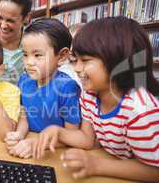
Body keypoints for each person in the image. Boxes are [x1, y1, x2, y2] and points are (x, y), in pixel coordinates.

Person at [33, 16, 159, 182]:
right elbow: (88, 139)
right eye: (75, 60)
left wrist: (96, 165)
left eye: (85, 60)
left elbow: (154, 171)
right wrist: (57, 132)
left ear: (118, 62)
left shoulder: (140, 110)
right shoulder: (90, 95)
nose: (77, 68)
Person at [4, 18, 82, 158]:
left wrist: (37, 143)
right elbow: (24, 114)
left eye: (37, 55)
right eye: (25, 54)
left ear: (62, 56)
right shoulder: (24, 80)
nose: (29, 62)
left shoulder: (67, 88)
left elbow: (72, 135)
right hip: (28, 142)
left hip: (55, 152)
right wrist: (19, 134)